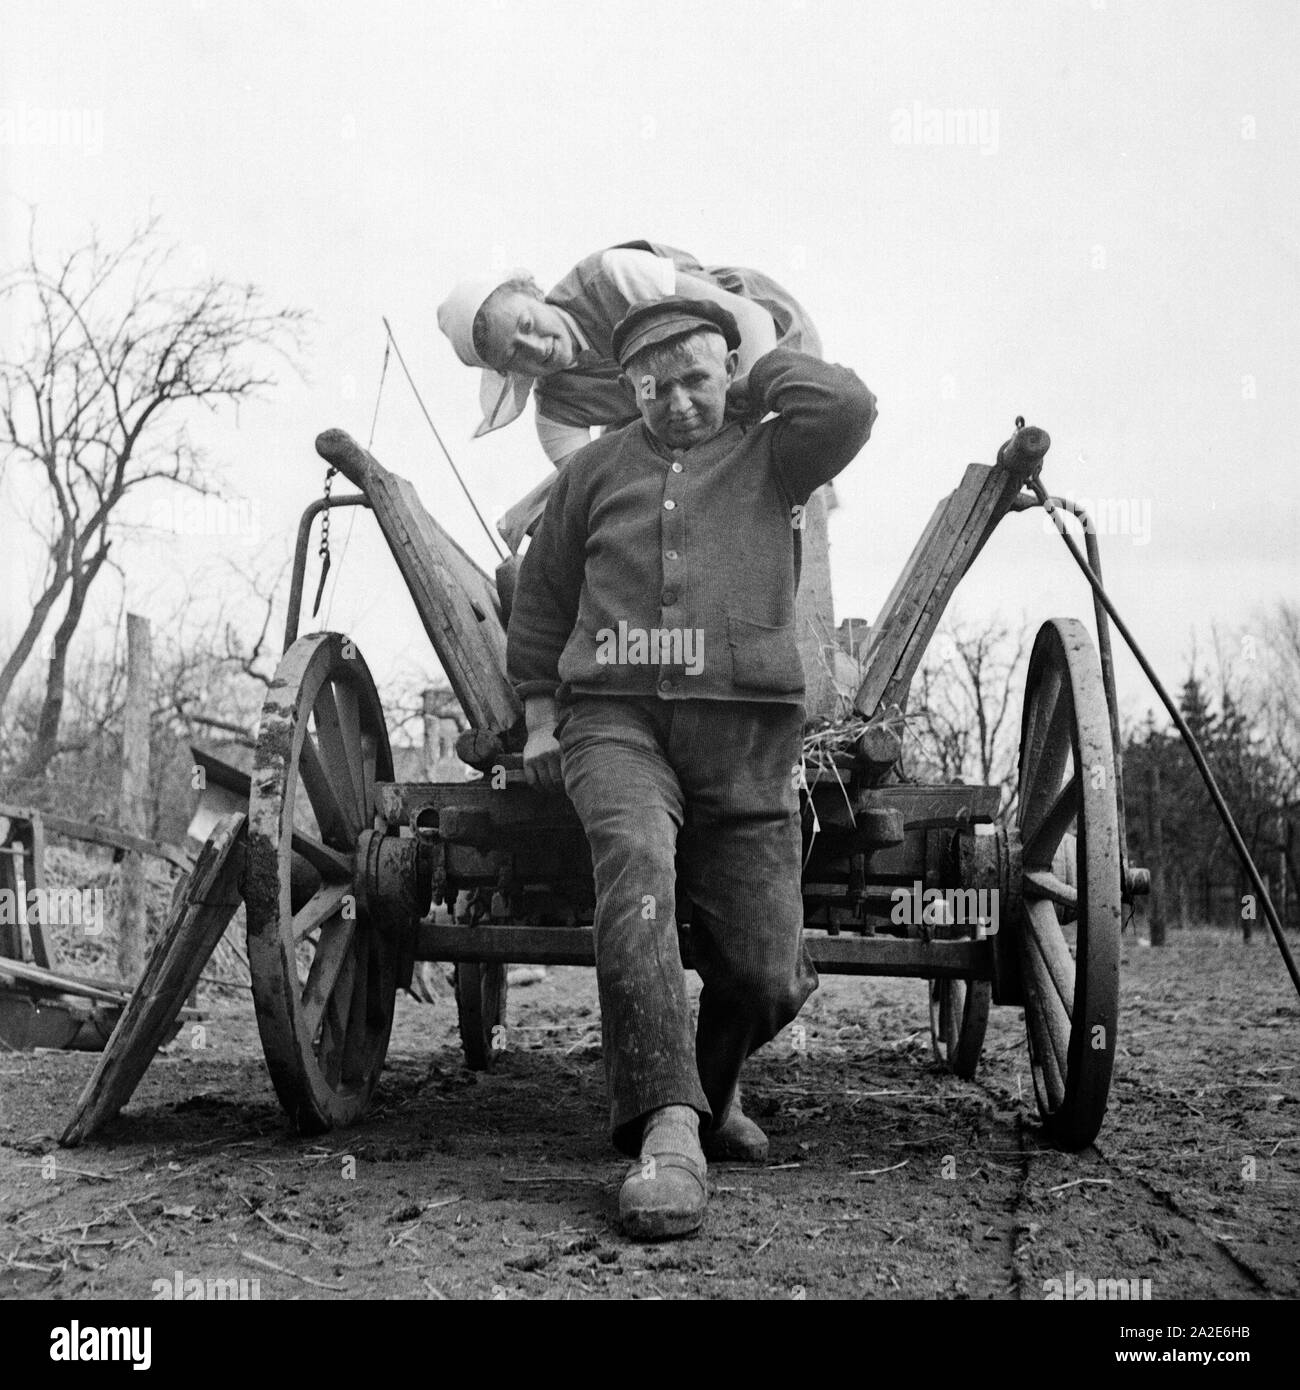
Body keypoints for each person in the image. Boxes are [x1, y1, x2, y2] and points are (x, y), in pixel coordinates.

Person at [505, 296, 877, 1239]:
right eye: (654, 385)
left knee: (766, 974)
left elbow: (848, 407)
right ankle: (666, 1134)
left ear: (729, 374)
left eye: (697, 380)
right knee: (634, 863)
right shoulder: (594, 470)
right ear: (629, 389)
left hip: (746, 739)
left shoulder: (775, 453)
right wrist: (544, 717)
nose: (676, 402)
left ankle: (709, 1090)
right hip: (616, 722)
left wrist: (754, 376)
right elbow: (544, 598)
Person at [437, 240, 824, 549]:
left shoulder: (609, 276)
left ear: (534, 293)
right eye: (514, 353)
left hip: (762, 338)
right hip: (679, 405)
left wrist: (733, 411)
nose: (535, 347)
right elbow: (609, 485)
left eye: (526, 323)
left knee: (747, 454)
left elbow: (750, 319)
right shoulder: (556, 413)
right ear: (509, 372)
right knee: (617, 469)